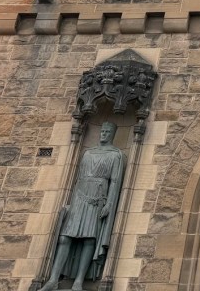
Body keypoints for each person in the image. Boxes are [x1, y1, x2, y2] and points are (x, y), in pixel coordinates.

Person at [40, 122, 126, 291]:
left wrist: (109, 204)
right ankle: (53, 279)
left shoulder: (116, 155)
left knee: (89, 239)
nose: (104, 134)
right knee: (65, 237)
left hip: (97, 198)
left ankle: (79, 281)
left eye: (108, 131)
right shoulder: (87, 153)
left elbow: (115, 182)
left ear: (113, 134)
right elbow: (77, 178)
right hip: (79, 197)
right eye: (103, 131)